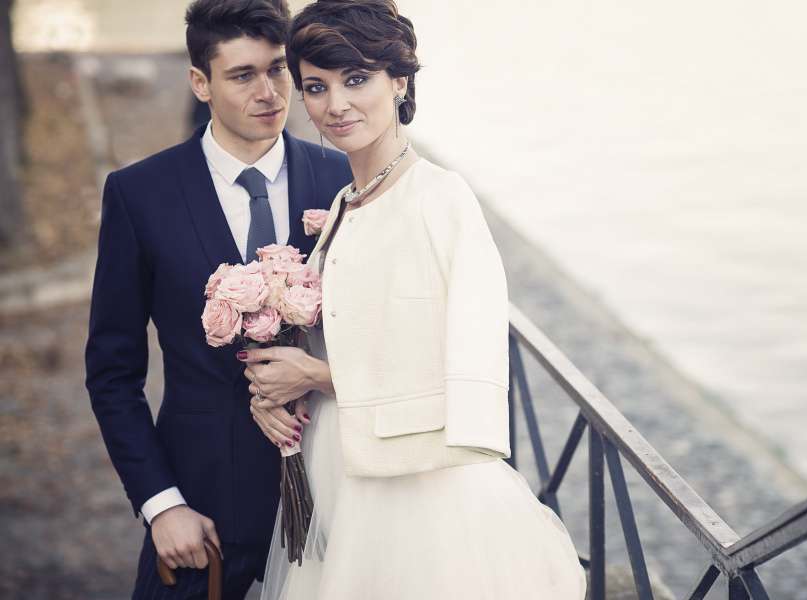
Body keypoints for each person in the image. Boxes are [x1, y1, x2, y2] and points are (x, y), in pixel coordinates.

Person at [242, 1, 587, 598]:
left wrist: (317, 376)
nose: (336, 104)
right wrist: (276, 390)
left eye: (357, 79)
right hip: (341, 467)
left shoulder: (440, 199)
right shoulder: (345, 205)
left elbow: (469, 363)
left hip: (419, 484)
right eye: (317, 87)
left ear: (399, 80)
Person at [83, 1, 351, 598]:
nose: (269, 93)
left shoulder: (341, 180)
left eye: (277, 69)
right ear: (200, 83)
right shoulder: (139, 195)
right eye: (242, 75)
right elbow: (112, 373)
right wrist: (161, 504)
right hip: (199, 506)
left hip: (334, 496)